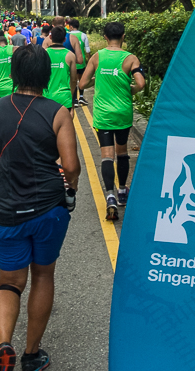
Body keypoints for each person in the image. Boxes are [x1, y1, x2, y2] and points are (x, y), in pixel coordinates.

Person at [0, 44, 81, 371]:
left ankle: (4, 346)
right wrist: (71, 189)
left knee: (9, 282)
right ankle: (31, 357)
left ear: (13, 75)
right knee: (43, 275)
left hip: (7, 212)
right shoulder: (58, 112)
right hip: (48, 209)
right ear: (47, 76)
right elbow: (72, 165)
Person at [77, 21, 145, 220]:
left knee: (107, 155)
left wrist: (96, 80)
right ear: (123, 36)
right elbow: (141, 83)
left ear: (105, 37)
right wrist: (129, 90)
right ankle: (122, 191)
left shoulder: (97, 58)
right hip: (123, 112)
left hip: (103, 114)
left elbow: (82, 83)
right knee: (122, 151)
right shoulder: (130, 58)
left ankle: (110, 197)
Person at [44, 27, 78, 111]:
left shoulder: (43, 53)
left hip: (46, 96)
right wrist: (71, 94)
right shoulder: (70, 55)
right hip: (64, 98)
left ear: (50, 37)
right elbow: (74, 80)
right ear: (65, 39)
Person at [67, 19, 90, 106]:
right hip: (81, 62)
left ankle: (74, 99)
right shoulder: (83, 35)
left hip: (71, 62)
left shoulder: (68, 36)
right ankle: (81, 97)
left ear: (72, 27)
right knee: (81, 80)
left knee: (73, 80)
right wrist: (88, 61)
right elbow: (87, 50)